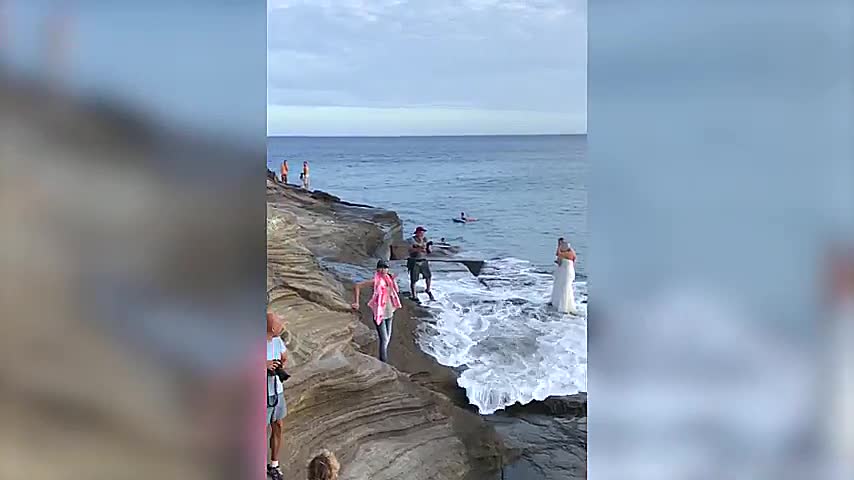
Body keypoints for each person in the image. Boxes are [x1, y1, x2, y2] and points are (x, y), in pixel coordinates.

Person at [352, 260, 402, 362]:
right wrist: (356, 302)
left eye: (385, 267)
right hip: (379, 314)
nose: (383, 270)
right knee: (384, 339)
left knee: (387, 338)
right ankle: (384, 361)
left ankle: (383, 359)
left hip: (389, 312)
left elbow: (396, 291)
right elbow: (358, 286)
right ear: (377, 269)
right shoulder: (376, 281)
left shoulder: (389, 280)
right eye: (381, 267)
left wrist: (393, 280)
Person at [266, 312, 288, 480]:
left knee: (278, 426)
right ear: (272, 327)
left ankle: (274, 464)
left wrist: (279, 364)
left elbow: (284, 357)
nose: (283, 325)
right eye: (280, 322)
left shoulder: (278, 341)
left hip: (277, 391)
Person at [407, 226, 435, 302]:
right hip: (414, 261)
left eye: (423, 232)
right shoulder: (411, 240)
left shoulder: (425, 239)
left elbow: (429, 251)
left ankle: (428, 290)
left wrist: (428, 247)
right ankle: (414, 295)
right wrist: (419, 248)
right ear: (417, 233)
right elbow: (410, 250)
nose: (422, 234)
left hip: (423, 260)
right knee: (414, 279)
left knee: (428, 276)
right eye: (421, 232)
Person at [550, 237, 577, 314]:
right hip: (564, 272)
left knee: (565, 288)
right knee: (560, 286)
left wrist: (559, 245)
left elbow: (559, 254)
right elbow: (557, 255)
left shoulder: (568, 253)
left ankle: (564, 307)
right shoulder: (568, 253)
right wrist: (559, 245)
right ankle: (558, 303)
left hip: (567, 273)